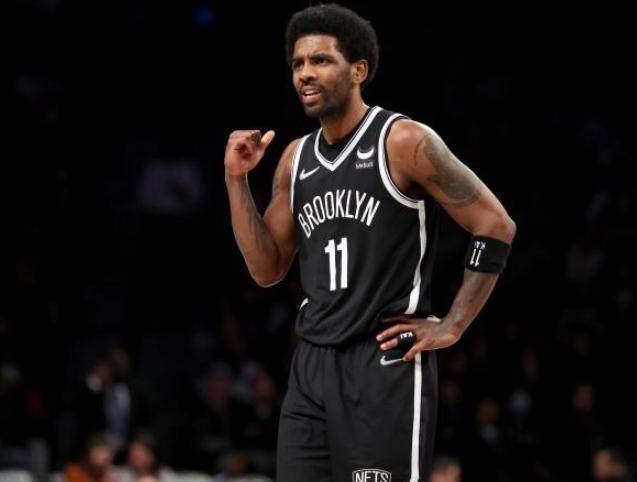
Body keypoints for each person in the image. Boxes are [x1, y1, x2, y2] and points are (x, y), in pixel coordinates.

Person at [224, 4, 516, 481]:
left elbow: (496, 225)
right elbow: (267, 269)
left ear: (358, 70)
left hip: (382, 359)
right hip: (312, 362)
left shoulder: (403, 141)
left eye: (321, 60)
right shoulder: (295, 159)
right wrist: (236, 181)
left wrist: (454, 325)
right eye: (298, 63)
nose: (305, 73)